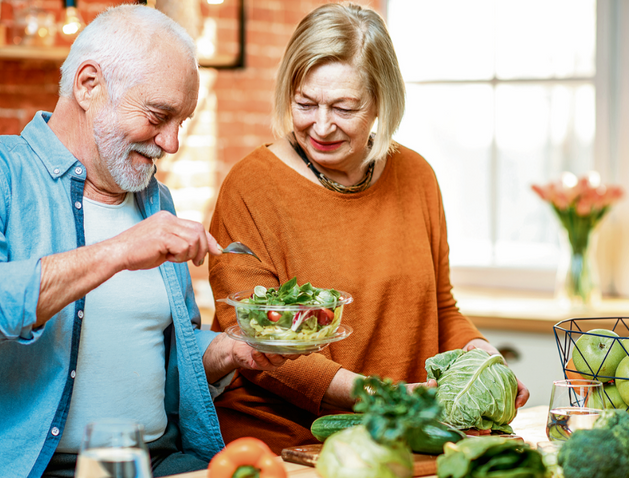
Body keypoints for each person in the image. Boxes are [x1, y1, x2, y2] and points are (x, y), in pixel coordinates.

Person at [0, 5, 291, 477]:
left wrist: (231, 351)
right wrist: (117, 252)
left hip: (159, 465)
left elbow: (153, 356)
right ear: (88, 84)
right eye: (159, 115)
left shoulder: (156, 202)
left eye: (183, 121)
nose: (172, 142)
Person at [207, 2, 530, 453]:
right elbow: (255, 344)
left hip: (401, 437)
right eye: (305, 103)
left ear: (381, 101)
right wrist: (381, 395)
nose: (320, 125)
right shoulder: (250, 187)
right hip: (287, 444)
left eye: (344, 107)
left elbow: (441, 308)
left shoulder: (416, 176)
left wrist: (483, 359)